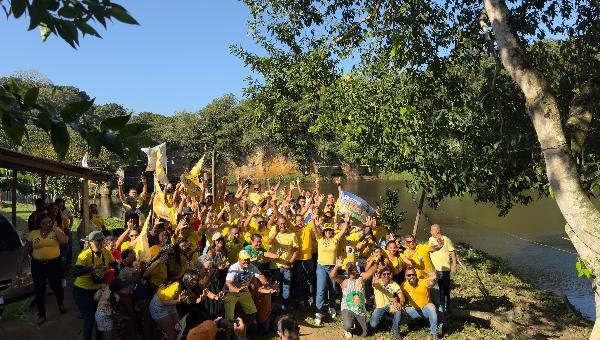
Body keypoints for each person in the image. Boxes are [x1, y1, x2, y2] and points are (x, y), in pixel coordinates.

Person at [17, 213, 68, 325]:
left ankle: (60, 302)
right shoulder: (33, 234)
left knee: (56, 286)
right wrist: (20, 264)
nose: (48, 224)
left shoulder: (56, 231)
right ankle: (41, 314)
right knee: (39, 289)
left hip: (54, 264)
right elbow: (26, 249)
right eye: (45, 223)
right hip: (38, 265)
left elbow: (64, 241)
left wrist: (55, 228)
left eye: (50, 222)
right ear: (40, 224)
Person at [73, 230, 116, 340]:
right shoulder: (84, 255)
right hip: (82, 291)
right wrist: (93, 268)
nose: (101, 244)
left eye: (102, 241)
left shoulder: (106, 253)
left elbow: (115, 265)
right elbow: (76, 272)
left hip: (97, 290)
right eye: (98, 241)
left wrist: (126, 265)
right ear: (90, 243)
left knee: (99, 319)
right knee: (90, 319)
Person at [312, 208, 349, 325]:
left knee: (332, 289)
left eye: (330, 230)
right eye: (327, 230)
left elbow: (343, 231)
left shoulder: (335, 240)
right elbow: (315, 230)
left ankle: (332, 307)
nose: (328, 232)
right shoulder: (320, 239)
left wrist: (347, 222)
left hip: (332, 267)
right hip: (321, 267)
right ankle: (318, 313)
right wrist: (313, 220)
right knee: (321, 289)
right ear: (324, 231)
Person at [330, 256, 378, 338]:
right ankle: (347, 327)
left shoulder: (361, 279)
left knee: (364, 333)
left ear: (356, 269)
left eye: (354, 269)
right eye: (350, 270)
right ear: (346, 271)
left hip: (359, 309)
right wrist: (336, 266)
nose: (352, 272)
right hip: (347, 308)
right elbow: (332, 276)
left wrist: (376, 261)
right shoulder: (344, 280)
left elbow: (371, 271)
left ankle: (355, 321)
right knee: (348, 325)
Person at [150, 270, 200, 340]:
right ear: (187, 277)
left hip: (171, 304)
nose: (194, 282)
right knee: (172, 333)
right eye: (193, 279)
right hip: (159, 306)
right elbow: (163, 302)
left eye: (196, 280)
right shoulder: (177, 285)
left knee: (178, 329)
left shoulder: (187, 286)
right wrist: (179, 301)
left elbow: (187, 301)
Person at [223, 250, 268, 321]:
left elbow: (261, 276)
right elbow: (228, 283)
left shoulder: (252, 267)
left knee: (253, 312)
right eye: (245, 260)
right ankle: (229, 330)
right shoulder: (234, 267)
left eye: (248, 259)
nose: (247, 261)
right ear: (239, 259)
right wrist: (236, 290)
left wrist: (266, 285)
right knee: (229, 318)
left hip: (244, 292)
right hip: (230, 293)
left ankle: (248, 326)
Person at [400, 267, 440, 340]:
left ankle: (434, 334)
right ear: (405, 276)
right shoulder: (403, 285)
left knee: (431, 307)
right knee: (398, 311)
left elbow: (431, 284)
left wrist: (433, 279)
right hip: (414, 310)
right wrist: (401, 306)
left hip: (425, 310)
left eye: (413, 274)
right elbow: (401, 298)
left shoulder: (423, 282)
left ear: (416, 275)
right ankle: (400, 329)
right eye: (408, 275)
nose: (411, 277)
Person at [267, 215, 299, 305]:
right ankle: (273, 306)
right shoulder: (274, 231)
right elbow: (268, 242)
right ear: (277, 224)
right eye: (280, 224)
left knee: (286, 287)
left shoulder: (292, 234)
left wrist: (291, 262)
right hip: (275, 266)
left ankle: (285, 308)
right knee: (274, 287)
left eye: (284, 223)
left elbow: (296, 250)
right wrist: (276, 233)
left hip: (286, 266)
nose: (282, 225)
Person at [428, 224, 457, 313]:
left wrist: (454, 266)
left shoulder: (446, 239)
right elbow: (429, 251)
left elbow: (453, 253)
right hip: (434, 269)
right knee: (436, 289)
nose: (430, 232)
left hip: (444, 269)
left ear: (437, 231)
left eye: (432, 230)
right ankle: (438, 307)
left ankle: (447, 307)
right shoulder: (431, 239)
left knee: (445, 289)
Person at [369, 267, 404, 340]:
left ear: (390, 275)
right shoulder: (377, 281)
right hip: (379, 306)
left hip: (390, 305)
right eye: (384, 274)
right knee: (373, 325)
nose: (386, 276)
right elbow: (375, 284)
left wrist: (400, 303)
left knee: (398, 308)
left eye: (388, 274)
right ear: (380, 275)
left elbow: (401, 296)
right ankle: (384, 318)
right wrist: (374, 283)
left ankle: (395, 329)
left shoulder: (394, 284)